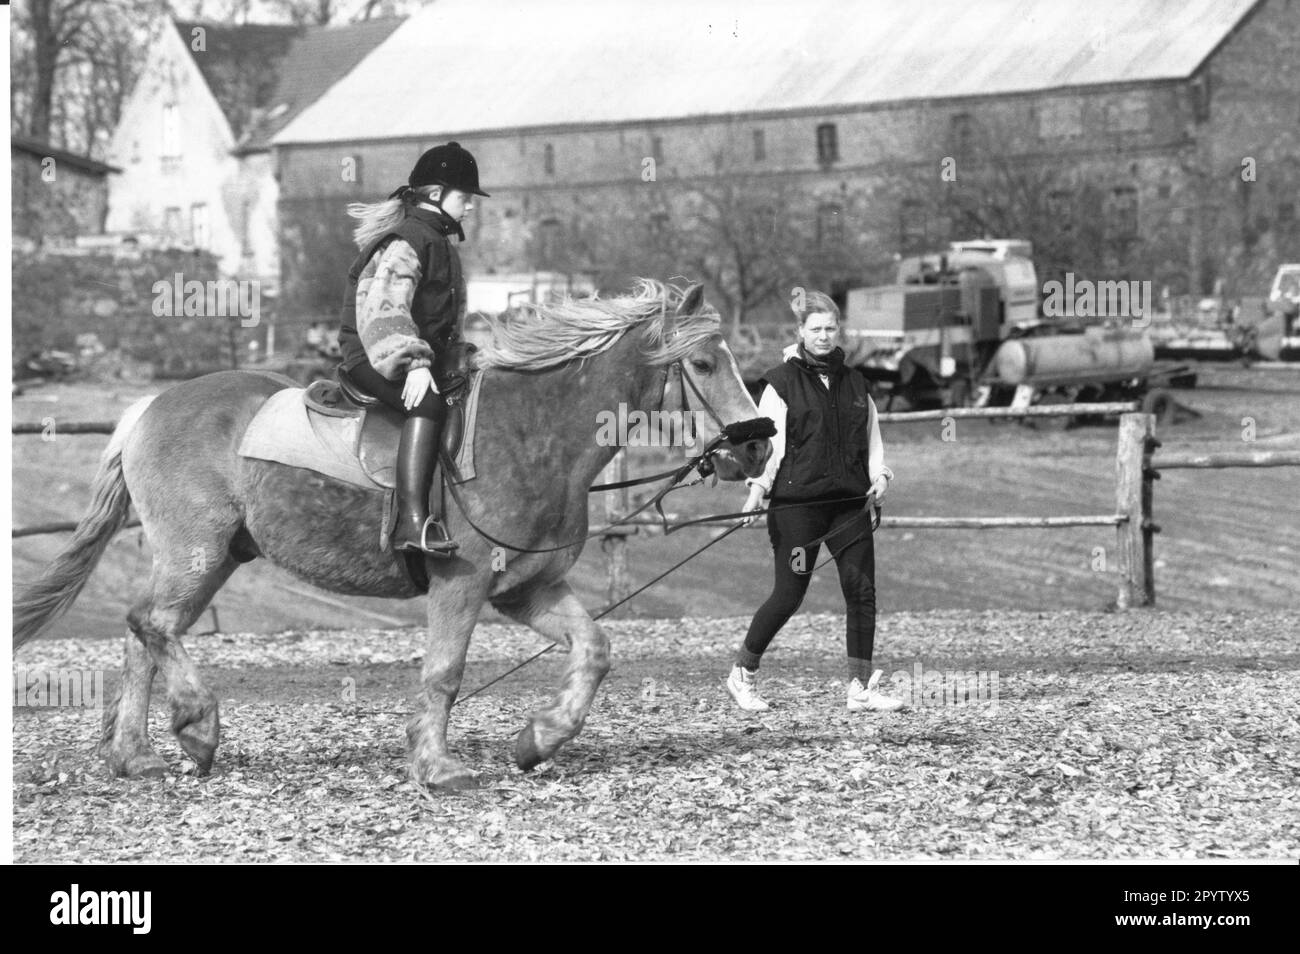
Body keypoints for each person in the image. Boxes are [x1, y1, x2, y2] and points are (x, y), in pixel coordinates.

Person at [726, 291, 906, 712]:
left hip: (849, 505)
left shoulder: (857, 383)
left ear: (838, 330)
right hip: (798, 507)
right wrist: (757, 491)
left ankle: (860, 688)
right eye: (816, 329)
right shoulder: (781, 383)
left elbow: (872, 441)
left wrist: (880, 475)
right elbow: (771, 446)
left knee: (861, 591)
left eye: (830, 329)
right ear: (801, 332)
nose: (824, 336)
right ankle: (742, 674)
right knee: (789, 593)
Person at [336, 142, 489, 555]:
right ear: (436, 196)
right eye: (466, 197)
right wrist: (415, 366)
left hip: (411, 357)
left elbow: (441, 323)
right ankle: (412, 523)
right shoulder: (407, 240)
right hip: (374, 355)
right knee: (429, 407)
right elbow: (385, 311)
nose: (471, 206)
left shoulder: (438, 242)